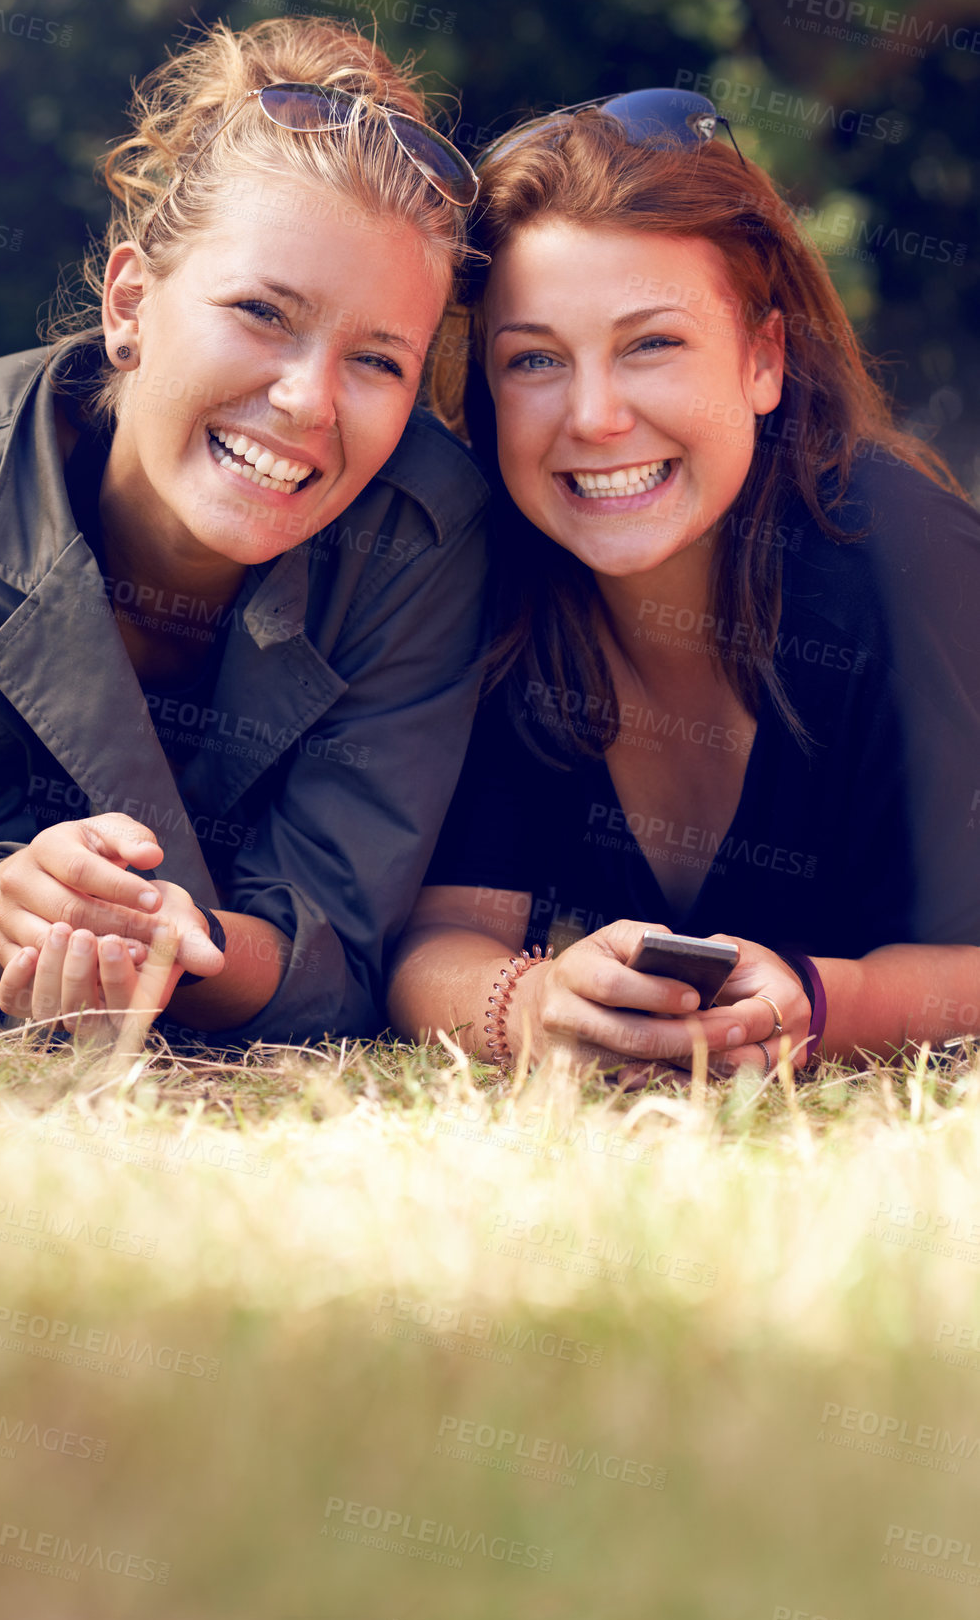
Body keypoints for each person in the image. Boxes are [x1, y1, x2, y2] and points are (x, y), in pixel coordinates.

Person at [0, 16, 489, 1049]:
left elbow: (347, 940)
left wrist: (179, 948)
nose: (310, 401)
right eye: (265, 312)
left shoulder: (424, 535)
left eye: (378, 361)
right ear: (130, 302)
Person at [388, 88, 980, 1077]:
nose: (595, 416)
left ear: (762, 358)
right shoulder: (493, 564)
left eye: (650, 344)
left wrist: (824, 1003)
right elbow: (441, 934)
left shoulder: (913, 563)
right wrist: (530, 1003)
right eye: (534, 359)